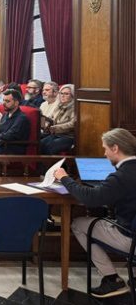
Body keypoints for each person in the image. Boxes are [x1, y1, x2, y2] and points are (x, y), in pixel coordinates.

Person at [54, 128, 136, 299]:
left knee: (79, 224)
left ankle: (111, 278)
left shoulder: (121, 176)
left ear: (115, 148)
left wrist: (64, 178)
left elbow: (90, 199)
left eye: (105, 149)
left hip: (130, 238)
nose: (104, 154)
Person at [39, 84, 75, 155]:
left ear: (73, 95)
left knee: (49, 147)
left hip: (68, 136)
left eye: (66, 94)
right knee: (40, 144)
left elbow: (73, 124)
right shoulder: (59, 106)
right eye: (61, 93)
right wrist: (43, 121)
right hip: (56, 134)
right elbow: (51, 119)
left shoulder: (75, 107)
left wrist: (55, 128)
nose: (63, 96)